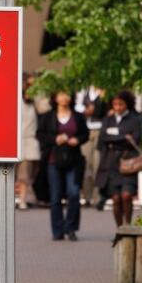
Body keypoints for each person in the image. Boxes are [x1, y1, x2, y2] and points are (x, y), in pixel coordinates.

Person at [36, 90, 89, 241]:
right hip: (54, 160)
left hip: (73, 160)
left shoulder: (78, 116)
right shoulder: (48, 116)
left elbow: (85, 134)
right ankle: (57, 230)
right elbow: (40, 134)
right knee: (55, 196)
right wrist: (55, 138)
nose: (64, 97)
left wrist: (77, 140)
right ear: (55, 98)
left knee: (73, 193)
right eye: (60, 94)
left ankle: (71, 228)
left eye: (67, 94)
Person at [95, 91, 142, 225]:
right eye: (115, 104)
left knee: (126, 196)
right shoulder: (108, 119)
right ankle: (119, 228)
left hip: (128, 162)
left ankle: (128, 226)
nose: (118, 107)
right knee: (116, 198)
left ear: (127, 104)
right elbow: (103, 138)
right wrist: (123, 137)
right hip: (111, 164)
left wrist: (114, 140)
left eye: (121, 104)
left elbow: (135, 139)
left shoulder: (135, 119)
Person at [75, 86, 107, 208]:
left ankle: (97, 197)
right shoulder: (84, 92)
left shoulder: (106, 91)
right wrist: (86, 111)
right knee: (86, 164)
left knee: (98, 164)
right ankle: (87, 196)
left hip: (100, 130)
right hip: (86, 130)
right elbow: (77, 108)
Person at [16, 73, 41, 210]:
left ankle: (24, 198)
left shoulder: (34, 104)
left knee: (27, 173)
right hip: (17, 141)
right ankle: (22, 199)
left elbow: (45, 107)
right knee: (17, 174)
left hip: (30, 142)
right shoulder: (16, 101)